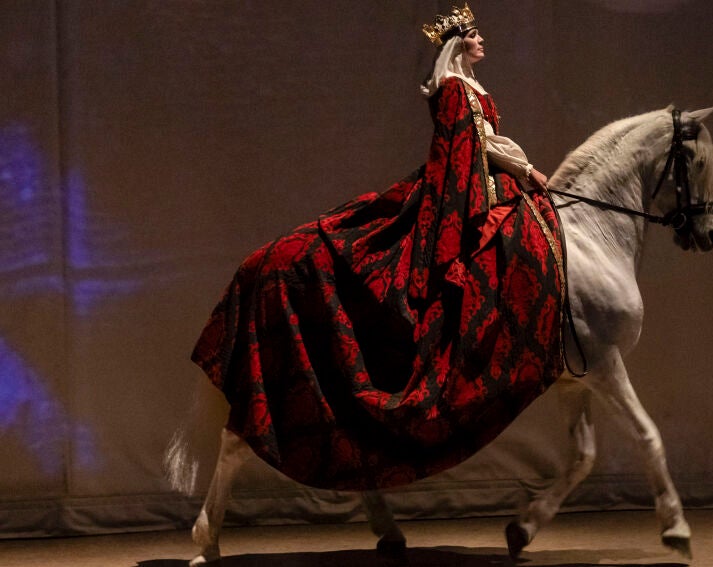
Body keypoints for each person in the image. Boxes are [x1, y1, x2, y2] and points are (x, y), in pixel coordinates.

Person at [191, 3, 565, 491]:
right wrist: (526, 170)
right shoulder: (454, 90)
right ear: (458, 44)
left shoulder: (472, 88)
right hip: (460, 193)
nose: (481, 40)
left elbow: (487, 143)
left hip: (486, 185)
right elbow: (471, 147)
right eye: (474, 35)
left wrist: (519, 170)